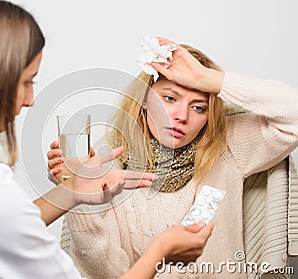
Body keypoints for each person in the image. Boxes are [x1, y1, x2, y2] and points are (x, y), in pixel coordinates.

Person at [0, 1, 215, 278]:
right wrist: (160, 251)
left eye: (198, 106)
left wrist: (72, 191)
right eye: (26, 82)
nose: (30, 100)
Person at [47, 39, 298, 278]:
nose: (181, 116)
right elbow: (102, 273)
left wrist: (210, 79)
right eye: (170, 98)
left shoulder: (227, 148)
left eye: (198, 107)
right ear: (144, 99)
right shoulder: (113, 167)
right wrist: (75, 195)